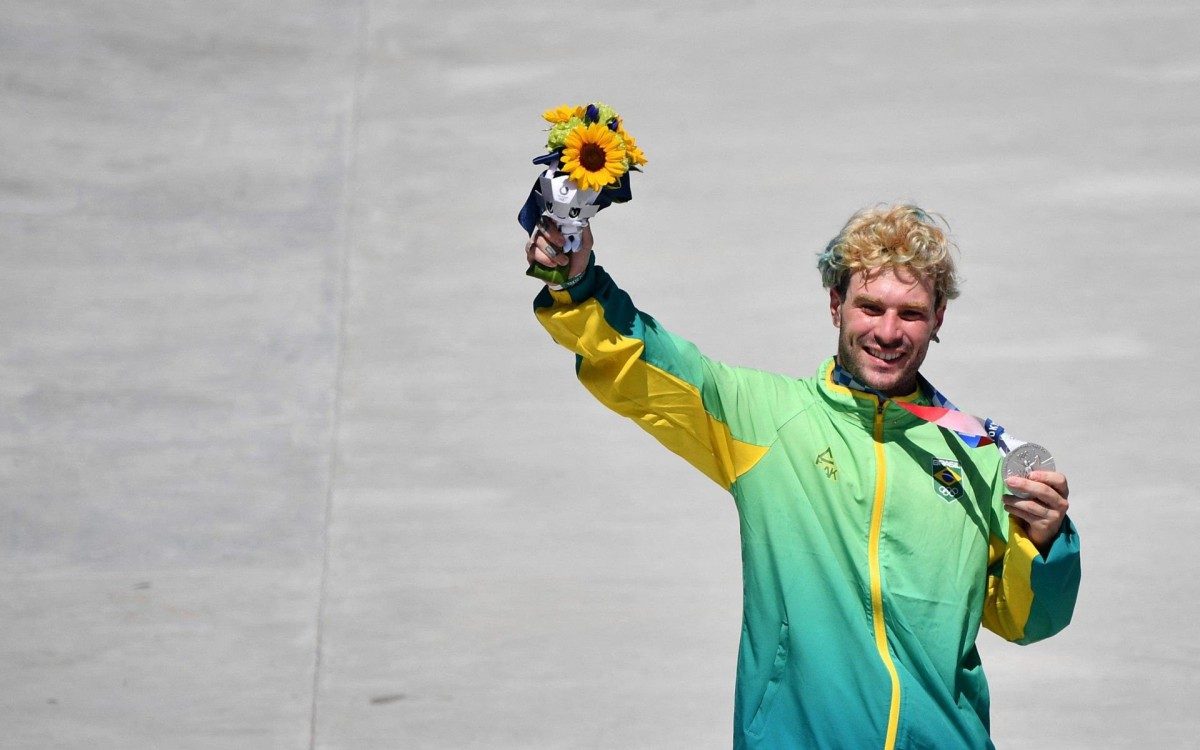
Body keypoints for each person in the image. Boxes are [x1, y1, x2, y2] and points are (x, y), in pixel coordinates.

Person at [524, 204, 1081, 749]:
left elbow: (1026, 620)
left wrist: (1046, 542)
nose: (888, 332)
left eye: (910, 313)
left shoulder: (979, 455)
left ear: (938, 319)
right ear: (836, 304)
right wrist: (576, 286)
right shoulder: (766, 419)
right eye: (870, 307)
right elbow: (643, 363)